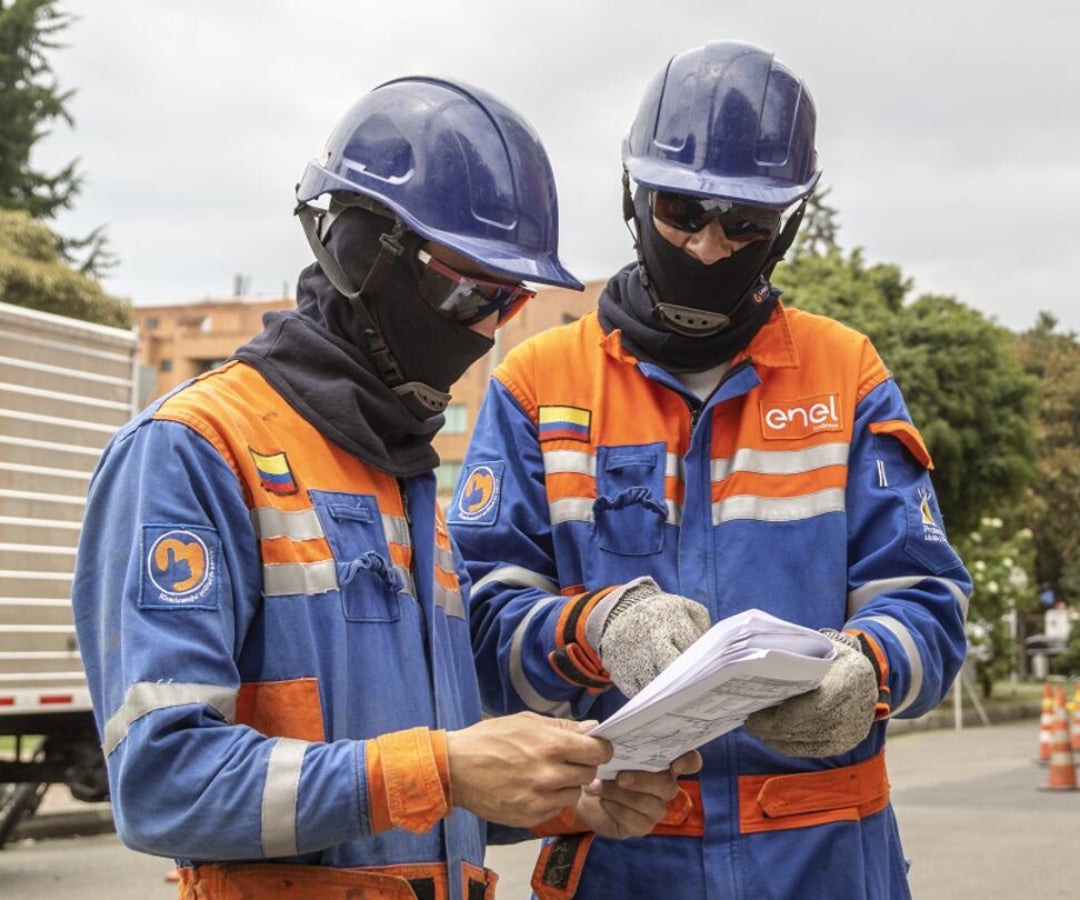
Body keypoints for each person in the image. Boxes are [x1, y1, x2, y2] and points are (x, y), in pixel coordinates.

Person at [71, 76, 699, 900]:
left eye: (506, 300)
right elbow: (162, 784)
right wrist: (444, 767)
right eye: (468, 289)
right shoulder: (193, 450)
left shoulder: (401, 475)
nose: (484, 327)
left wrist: (565, 796)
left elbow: (422, 784)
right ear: (362, 249)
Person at [448, 41, 972, 899]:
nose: (707, 245)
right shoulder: (539, 385)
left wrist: (868, 670)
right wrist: (592, 628)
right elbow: (477, 618)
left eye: (746, 224)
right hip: (622, 864)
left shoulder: (848, 376)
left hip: (827, 866)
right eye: (681, 210)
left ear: (786, 227)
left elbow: (928, 600)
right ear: (632, 194)